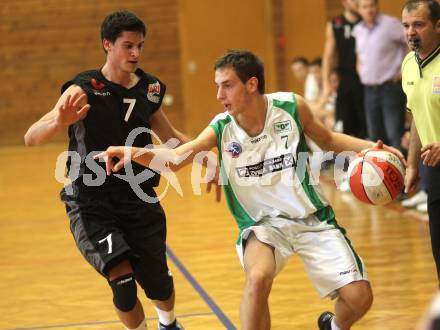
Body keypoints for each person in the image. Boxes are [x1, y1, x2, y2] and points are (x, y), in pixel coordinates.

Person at [96, 50, 405, 330]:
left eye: (227, 85)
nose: (219, 95)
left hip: (312, 218)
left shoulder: (291, 107)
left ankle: (334, 326)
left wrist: (375, 149)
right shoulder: (220, 127)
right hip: (261, 225)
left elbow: (329, 141)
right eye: (217, 86)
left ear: (252, 84)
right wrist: (133, 152)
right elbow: (176, 158)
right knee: (258, 278)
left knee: (360, 298)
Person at [24, 11, 187, 330]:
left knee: (159, 284)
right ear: (107, 45)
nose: (136, 53)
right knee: (122, 281)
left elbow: (171, 139)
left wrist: (209, 148)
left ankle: (168, 324)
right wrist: (59, 122)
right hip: (91, 201)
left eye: (140, 45)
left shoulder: (150, 88)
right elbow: (31, 136)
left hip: (139, 196)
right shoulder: (83, 89)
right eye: (128, 46)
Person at [401, 0, 440, 282]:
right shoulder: (408, 65)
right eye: (406, 26)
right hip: (433, 169)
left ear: (438, 26)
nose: (411, 32)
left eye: (418, 24)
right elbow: (417, 116)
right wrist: (412, 165)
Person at [353, 0, 407, 150]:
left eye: (372, 5)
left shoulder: (391, 24)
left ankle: (401, 173)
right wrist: (361, 71)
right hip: (369, 90)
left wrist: (405, 69)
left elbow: (411, 41)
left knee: (395, 135)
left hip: (390, 87)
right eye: (365, 7)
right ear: (359, 10)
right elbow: (360, 55)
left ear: (377, 6)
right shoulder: (358, 29)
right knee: (375, 137)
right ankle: (382, 173)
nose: (369, 9)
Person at [322, 0, 366, 138]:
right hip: (345, 83)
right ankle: (344, 160)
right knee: (343, 131)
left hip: (366, 84)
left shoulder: (367, 22)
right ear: (344, 2)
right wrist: (326, 84)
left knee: (366, 131)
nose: (358, 2)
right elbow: (328, 57)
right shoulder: (335, 24)